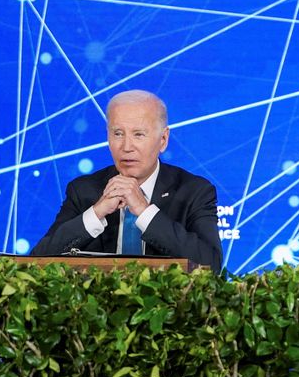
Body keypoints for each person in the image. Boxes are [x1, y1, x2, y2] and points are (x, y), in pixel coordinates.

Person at [32, 90, 222, 272]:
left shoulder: (194, 191)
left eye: (138, 134)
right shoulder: (83, 190)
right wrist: (96, 213)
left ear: (163, 140)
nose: (127, 147)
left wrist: (144, 211)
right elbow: (36, 263)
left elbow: (210, 265)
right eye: (118, 134)